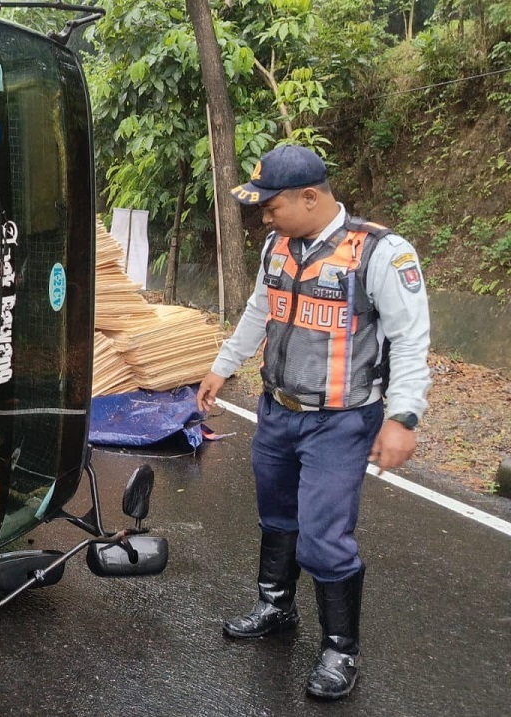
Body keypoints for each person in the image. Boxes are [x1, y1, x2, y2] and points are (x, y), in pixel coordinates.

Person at [197, 144, 430, 700]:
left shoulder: (379, 253)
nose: (264, 217)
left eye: (271, 205)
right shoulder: (277, 246)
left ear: (310, 196)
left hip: (341, 421)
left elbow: (410, 340)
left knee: (324, 536)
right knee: (277, 517)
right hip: (277, 411)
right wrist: (223, 367)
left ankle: (340, 650)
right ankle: (276, 608)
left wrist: (403, 417)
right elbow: (260, 308)